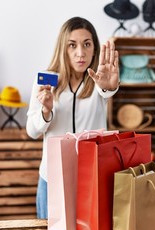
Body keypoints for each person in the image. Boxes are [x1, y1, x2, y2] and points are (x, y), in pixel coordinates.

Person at [26, 17, 120, 219]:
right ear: (63, 48)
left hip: (92, 178)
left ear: (94, 48)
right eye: (72, 45)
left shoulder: (98, 81)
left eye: (87, 44)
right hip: (53, 179)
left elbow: (107, 90)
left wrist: (109, 86)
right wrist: (46, 111)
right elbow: (32, 131)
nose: (80, 53)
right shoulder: (45, 80)